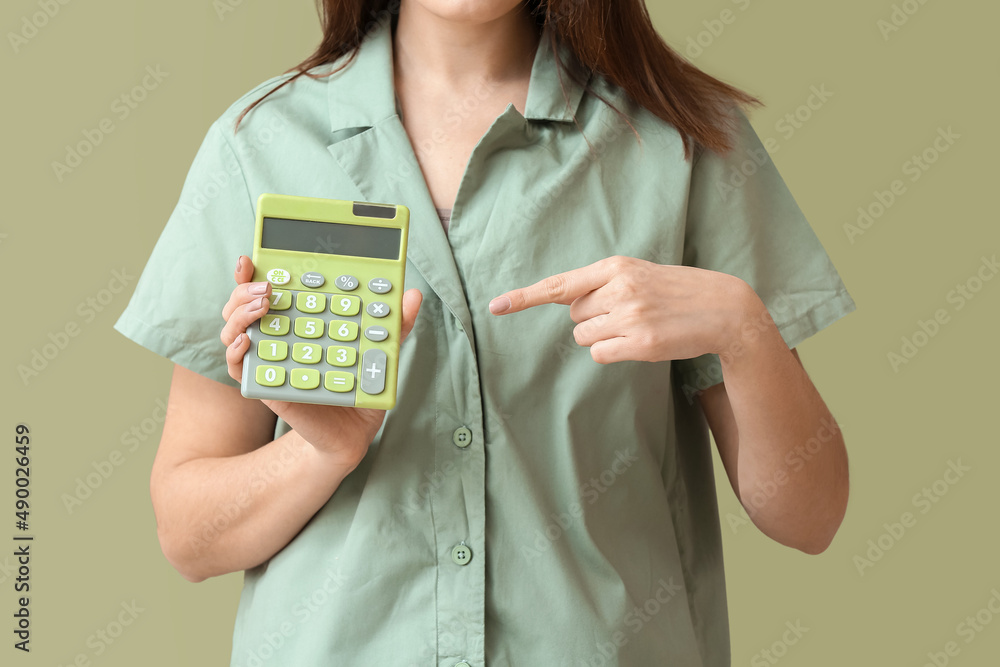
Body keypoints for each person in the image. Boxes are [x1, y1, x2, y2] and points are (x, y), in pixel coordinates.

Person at [113, 1, 856, 665]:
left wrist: (743, 327)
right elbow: (188, 536)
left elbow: (810, 515)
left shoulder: (684, 143)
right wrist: (322, 451)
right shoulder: (259, 147)